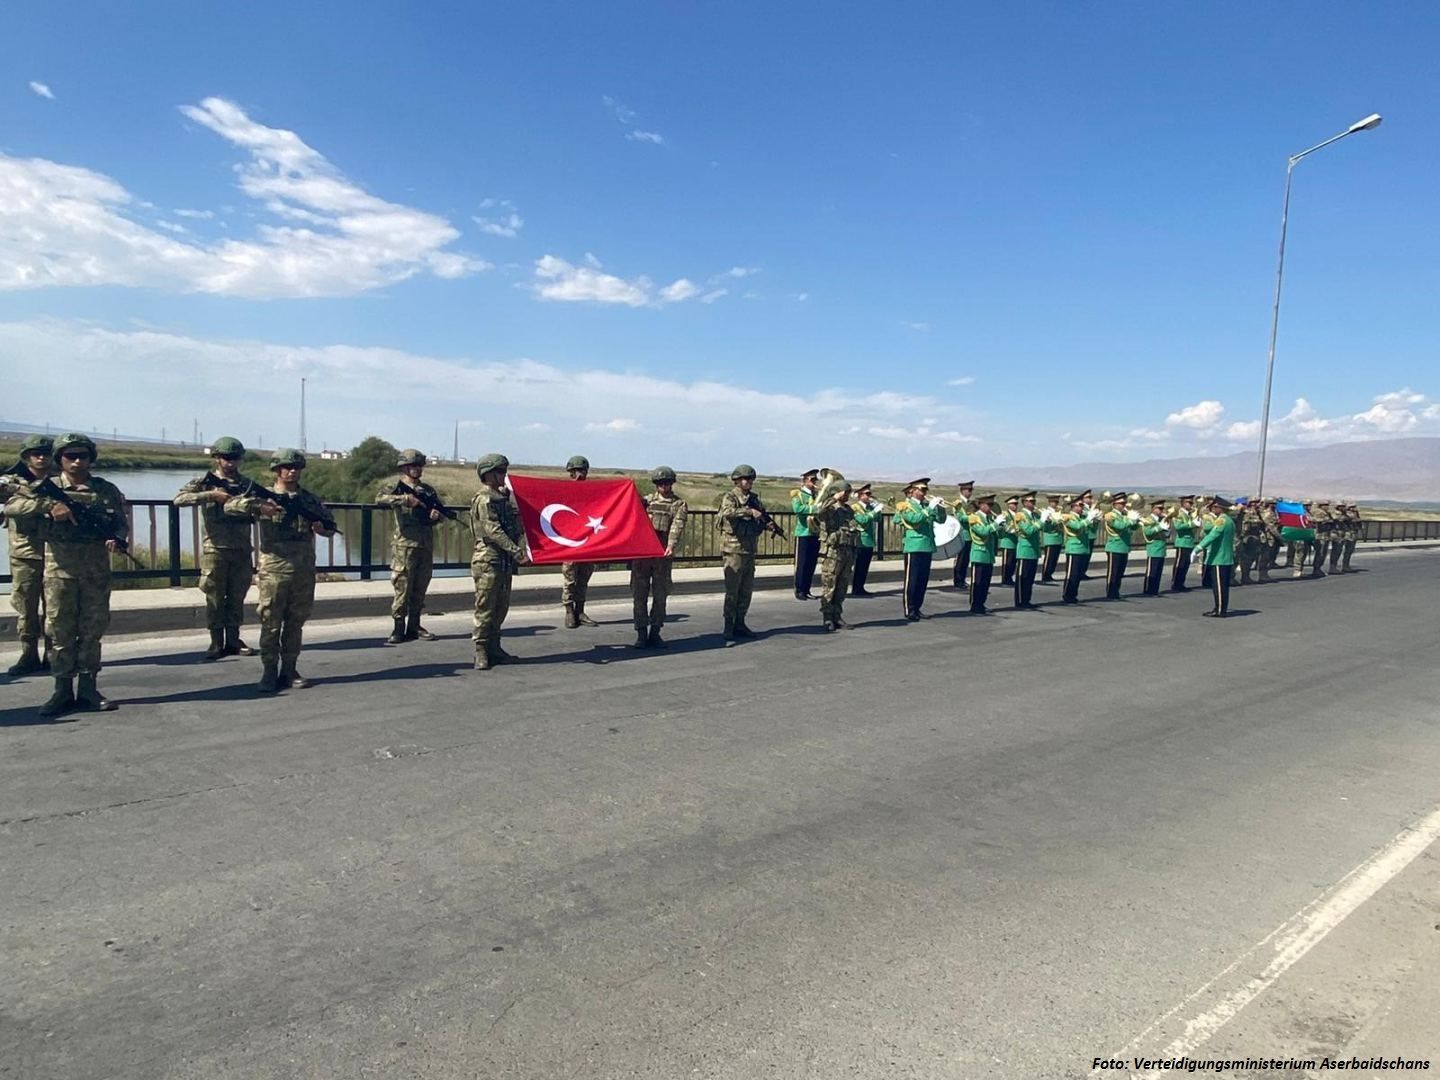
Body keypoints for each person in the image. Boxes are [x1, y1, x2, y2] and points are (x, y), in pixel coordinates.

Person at [4, 434, 127, 717]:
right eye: (70, 456)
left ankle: (88, 688)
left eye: (82, 456)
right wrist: (49, 506)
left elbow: (120, 523)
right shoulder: (46, 488)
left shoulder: (105, 489)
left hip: (95, 572)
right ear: (60, 459)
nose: (77, 461)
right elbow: (12, 506)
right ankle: (61, 690)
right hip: (59, 571)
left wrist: (117, 539)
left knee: (91, 632)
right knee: (59, 631)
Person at [223, 449, 337, 693]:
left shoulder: (308, 499)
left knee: (296, 623)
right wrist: (260, 507)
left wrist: (321, 528)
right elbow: (231, 506)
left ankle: (290, 670)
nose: (292, 471)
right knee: (271, 623)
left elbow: (330, 526)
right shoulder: (265, 496)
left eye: (296, 467)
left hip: (303, 569)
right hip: (274, 569)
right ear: (277, 470)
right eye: (287, 466)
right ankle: (268, 671)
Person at [173, 436, 259, 661]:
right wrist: (210, 495)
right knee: (214, 597)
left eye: (234, 458)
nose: (230, 462)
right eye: (225, 458)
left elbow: (260, 507)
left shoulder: (246, 484)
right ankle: (215, 641)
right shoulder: (205, 481)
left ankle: (233, 639)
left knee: (237, 596)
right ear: (217, 459)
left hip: (241, 548)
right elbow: (179, 499)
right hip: (215, 548)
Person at [374, 448, 444, 645]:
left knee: (420, 586)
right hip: (404, 543)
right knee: (402, 586)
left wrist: (436, 516)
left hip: (425, 543)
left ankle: (415, 625)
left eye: (419, 466)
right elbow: (379, 499)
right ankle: (398, 627)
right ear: (404, 467)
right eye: (413, 466)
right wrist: (404, 499)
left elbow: (439, 510)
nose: (417, 469)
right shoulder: (395, 487)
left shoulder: (427, 490)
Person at [468, 453, 528, 670]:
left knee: (501, 606)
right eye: (500, 472)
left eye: (504, 471)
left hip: (502, 560)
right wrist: (516, 552)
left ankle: (495, 647)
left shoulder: (502, 497)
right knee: (485, 606)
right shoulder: (484, 499)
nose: (504, 475)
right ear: (488, 474)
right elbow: (494, 531)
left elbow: (517, 524)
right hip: (488, 559)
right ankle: (481, 649)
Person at [2, 435, 54, 677]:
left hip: (57, 553)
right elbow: (8, 502)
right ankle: (28, 653)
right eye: (36, 453)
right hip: (25, 552)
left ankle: (53, 654)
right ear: (26, 457)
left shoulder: (60, 482)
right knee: (26, 607)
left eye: (45, 453)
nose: (41, 457)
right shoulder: (12, 481)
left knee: (56, 609)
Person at [630, 465, 688, 648]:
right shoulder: (645, 502)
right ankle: (641, 633)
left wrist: (670, 545)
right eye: (661, 483)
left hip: (662, 555)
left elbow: (676, 526)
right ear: (656, 484)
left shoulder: (679, 504)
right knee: (639, 595)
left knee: (660, 595)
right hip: (643, 555)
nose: (664, 486)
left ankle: (655, 631)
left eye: (668, 483)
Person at [718, 464, 770, 643]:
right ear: (737, 481)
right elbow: (728, 513)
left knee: (746, 589)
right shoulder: (730, 497)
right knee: (732, 590)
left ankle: (740, 622)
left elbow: (762, 515)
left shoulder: (754, 498)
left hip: (749, 549)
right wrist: (748, 511)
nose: (748, 482)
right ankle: (728, 625)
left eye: (750, 479)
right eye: (744, 479)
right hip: (733, 549)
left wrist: (767, 523)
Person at [809, 474, 862, 631]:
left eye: (848, 492)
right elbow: (818, 512)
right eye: (844, 492)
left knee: (842, 586)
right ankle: (827, 617)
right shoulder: (829, 508)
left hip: (847, 551)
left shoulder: (848, 510)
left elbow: (852, 525)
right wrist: (832, 497)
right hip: (833, 553)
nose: (847, 495)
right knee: (829, 585)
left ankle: (837, 615)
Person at [893, 478, 946, 621]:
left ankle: (917, 607)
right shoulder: (905, 506)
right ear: (913, 490)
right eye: (922, 489)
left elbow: (941, 520)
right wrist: (929, 509)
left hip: (927, 546)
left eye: (925, 490)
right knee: (912, 580)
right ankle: (909, 609)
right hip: (914, 546)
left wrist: (940, 508)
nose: (924, 492)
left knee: (923, 580)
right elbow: (914, 519)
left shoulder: (926, 505)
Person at [560, 455, 597, 628]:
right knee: (570, 579)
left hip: (589, 542)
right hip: (570, 542)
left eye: (581, 470)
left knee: (584, 579)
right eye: (574, 471)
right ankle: (569, 611)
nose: (578, 474)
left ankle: (580, 611)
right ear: (569, 473)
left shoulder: (592, 491)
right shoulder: (564, 490)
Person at [1198, 495, 1236, 617]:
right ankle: (1220, 608)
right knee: (1222, 586)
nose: (1213, 509)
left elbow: (1212, 535)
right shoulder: (1229, 520)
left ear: (1221, 508)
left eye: (1215, 507)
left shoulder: (1222, 520)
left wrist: (1198, 548)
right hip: (1225, 557)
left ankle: (1219, 610)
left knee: (1219, 587)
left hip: (1219, 558)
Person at [1059, 495, 1097, 604]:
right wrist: (1088, 519)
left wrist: (1095, 521)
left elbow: (1091, 530)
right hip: (1074, 549)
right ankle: (1067, 595)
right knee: (1072, 574)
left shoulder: (1082, 517)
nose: (1082, 507)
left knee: (1078, 575)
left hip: (1082, 549)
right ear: (1073, 506)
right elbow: (1077, 527)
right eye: (1080, 505)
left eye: (1082, 505)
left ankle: (1073, 595)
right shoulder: (1068, 517)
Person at [965, 493, 999, 614]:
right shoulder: (974, 518)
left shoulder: (989, 518)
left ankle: (982, 604)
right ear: (981, 505)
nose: (990, 507)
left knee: (985, 583)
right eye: (988, 504)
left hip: (988, 554)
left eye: (992, 504)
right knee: (977, 582)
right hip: (979, 553)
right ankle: (975, 605)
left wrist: (1000, 525)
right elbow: (982, 531)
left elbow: (994, 534)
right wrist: (995, 525)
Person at [1101, 492, 1138, 600]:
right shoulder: (1110, 515)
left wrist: (1135, 521)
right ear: (1115, 504)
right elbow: (1120, 526)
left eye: (1124, 503)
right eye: (1121, 503)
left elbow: (1133, 528)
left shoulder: (1123, 515)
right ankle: (1111, 592)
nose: (1124, 506)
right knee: (1113, 572)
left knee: (1120, 572)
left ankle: (1116, 591)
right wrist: (1130, 520)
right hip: (1114, 547)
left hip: (1124, 547)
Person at [791, 468, 820, 600]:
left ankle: (807, 589)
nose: (815, 482)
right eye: (812, 479)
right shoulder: (799, 495)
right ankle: (799, 590)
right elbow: (797, 509)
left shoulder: (817, 495)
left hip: (815, 532)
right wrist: (814, 509)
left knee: (811, 563)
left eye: (816, 479)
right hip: (803, 532)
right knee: (802, 563)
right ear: (805, 480)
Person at [1011, 491, 1042, 609]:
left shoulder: (1034, 515)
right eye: (1031, 501)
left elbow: (1046, 527)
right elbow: (1028, 531)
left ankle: (1027, 600)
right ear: (1024, 502)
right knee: (1022, 578)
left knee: (1030, 579)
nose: (1034, 503)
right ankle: (1020, 601)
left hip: (1034, 550)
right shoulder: (1020, 515)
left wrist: (1050, 520)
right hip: (1025, 550)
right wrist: (1042, 521)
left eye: (1034, 501)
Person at [850, 482, 882, 597]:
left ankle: (861, 587)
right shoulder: (855, 507)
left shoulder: (869, 507)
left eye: (870, 493)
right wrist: (874, 512)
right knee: (859, 566)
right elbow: (862, 520)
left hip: (868, 541)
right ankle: (856, 589)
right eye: (867, 494)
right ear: (860, 495)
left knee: (865, 567)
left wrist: (877, 510)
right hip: (860, 541)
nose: (869, 496)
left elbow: (878, 519)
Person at [1140, 497, 1169, 596]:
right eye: (1159, 509)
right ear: (1153, 509)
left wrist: (1166, 530)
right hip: (1154, 547)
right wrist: (1159, 527)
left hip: (1161, 548)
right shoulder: (1148, 519)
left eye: (1162, 509)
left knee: (1158, 571)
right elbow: (1148, 532)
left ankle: (1155, 590)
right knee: (1151, 571)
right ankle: (1148, 590)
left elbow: (1166, 534)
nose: (1161, 511)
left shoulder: (1162, 519)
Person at [1169, 495, 1198, 591]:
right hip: (1182, 542)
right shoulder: (1179, 514)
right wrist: (1192, 524)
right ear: (1183, 503)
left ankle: (1181, 583)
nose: (1190, 504)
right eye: (1188, 502)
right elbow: (1178, 526)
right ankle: (1175, 583)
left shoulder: (1189, 514)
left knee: (1186, 564)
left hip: (1189, 542)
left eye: (1191, 503)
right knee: (1180, 564)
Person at [950, 480, 975, 590]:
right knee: (960, 559)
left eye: (971, 490)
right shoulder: (958, 503)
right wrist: (972, 518)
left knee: (966, 559)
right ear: (962, 490)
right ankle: (958, 581)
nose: (970, 492)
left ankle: (963, 579)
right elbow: (960, 517)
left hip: (970, 535)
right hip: (961, 534)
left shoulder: (971, 503)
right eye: (968, 490)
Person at [1039, 492, 1065, 582]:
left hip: (1058, 538)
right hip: (1050, 539)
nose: (1056, 504)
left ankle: (1050, 574)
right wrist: (1054, 521)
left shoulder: (1058, 511)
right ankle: (1045, 575)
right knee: (1049, 559)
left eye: (1057, 502)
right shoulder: (1047, 512)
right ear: (1050, 502)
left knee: (1054, 559)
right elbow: (1046, 528)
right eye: (1054, 502)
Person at [997, 494, 1019, 586]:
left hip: (1015, 542)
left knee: (1013, 563)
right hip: (1007, 541)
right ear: (1009, 505)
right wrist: (1011, 529)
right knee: (1007, 563)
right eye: (1013, 503)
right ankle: (1005, 579)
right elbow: (1003, 526)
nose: (1015, 505)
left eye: (1016, 503)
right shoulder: (1005, 515)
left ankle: (1009, 578)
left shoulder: (1017, 515)